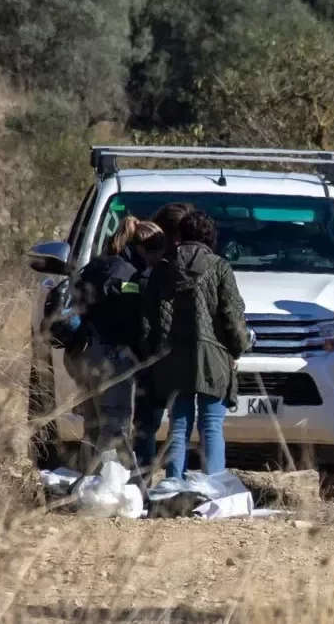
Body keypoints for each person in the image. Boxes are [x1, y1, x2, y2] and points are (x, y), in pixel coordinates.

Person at [140, 210, 252, 479]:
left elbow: (147, 320)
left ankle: (173, 485)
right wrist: (238, 349)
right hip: (213, 358)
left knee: (178, 425)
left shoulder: (162, 269)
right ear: (210, 237)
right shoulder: (220, 267)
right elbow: (232, 315)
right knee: (211, 424)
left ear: (179, 235)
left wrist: (149, 358)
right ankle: (213, 488)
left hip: (171, 360)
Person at [63, 216, 167, 472]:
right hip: (108, 357)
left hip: (80, 352)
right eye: (156, 251)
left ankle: (88, 481)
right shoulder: (127, 275)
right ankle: (111, 484)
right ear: (143, 248)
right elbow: (125, 323)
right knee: (115, 423)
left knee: (94, 423)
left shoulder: (97, 265)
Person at [133, 202, 196, 475]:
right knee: (179, 424)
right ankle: (175, 480)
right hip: (184, 358)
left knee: (146, 425)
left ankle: (143, 481)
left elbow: (145, 321)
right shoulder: (201, 270)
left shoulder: (149, 272)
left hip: (154, 359)